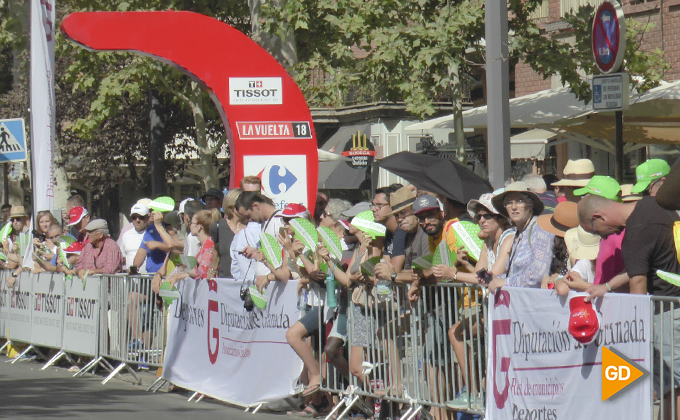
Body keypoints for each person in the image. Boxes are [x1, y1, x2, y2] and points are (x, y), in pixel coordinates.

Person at [578, 193, 680, 417]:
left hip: (666, 315)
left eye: (594, 231)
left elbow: (638, 282)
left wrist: (638, 331)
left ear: (599, 216)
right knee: (669, 388)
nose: (602, 237)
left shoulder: (636, 231)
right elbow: (640, 265)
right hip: (674, 306)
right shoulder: (655, 204)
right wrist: (607, 287)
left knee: (672, 386)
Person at [445, 191, 514, 410]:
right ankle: (474, 392)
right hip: (493, 310)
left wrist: (453, 274)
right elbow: (479, 274)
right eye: (478, 216)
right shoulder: (488, 242)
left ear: (501, 218)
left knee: (501, 367)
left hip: (510, 313)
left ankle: (481, 394)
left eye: (487, 216)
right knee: (456, 331)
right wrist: (463, 264)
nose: (481, 220)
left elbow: (490, 275)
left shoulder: (509, 237)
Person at [487, 181, 554, 290]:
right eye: (509, 202)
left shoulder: (541, 229)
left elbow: (538, 274)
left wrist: (505, 282)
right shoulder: (517, 234)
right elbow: (515, 274)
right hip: (519, 302)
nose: (513, 207)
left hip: (536, 302)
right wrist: (496, 279)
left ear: (530, 204)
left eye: (519, 201)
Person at [166, 210, 216, 285]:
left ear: (199, 227)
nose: (190, 225)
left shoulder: (209, 244)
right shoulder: (204, 244)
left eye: (191, 223)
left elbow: (202, 271)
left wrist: (180, 274)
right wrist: (177, 275)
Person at [210, 189, 245, 279]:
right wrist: (211, 272)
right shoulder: (218, 227)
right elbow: (217, 251)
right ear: (231, 206)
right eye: (242, 204)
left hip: (248, 281)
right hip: (225, 281)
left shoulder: (252, 227)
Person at [119, 203, 150, 271]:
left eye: (141, 217)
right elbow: (123, 257)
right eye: (134, 217)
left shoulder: (153, 234)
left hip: (150, 278)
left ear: (148, 217)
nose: (137, 220)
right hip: (132, 280)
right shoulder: (126, 235)